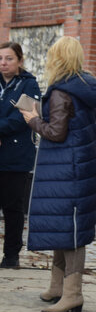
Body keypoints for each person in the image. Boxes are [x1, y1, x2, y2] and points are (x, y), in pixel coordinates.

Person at [21, 37, 96, 312]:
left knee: (72, 231)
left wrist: (32, 120)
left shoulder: (60, 92)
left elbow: (56, 133)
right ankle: (58, 286)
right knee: (65, 227)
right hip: (79, 167)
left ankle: (73, 294)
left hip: (67, 169)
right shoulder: (85, 86)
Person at [0, 41, 40, 269]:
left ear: (20, 61)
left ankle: (11, 255)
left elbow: (23, 117)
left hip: (16, 157)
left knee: (12, 208)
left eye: (9, 58)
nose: (3, 63)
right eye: (0, 59)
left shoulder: (29, 85)